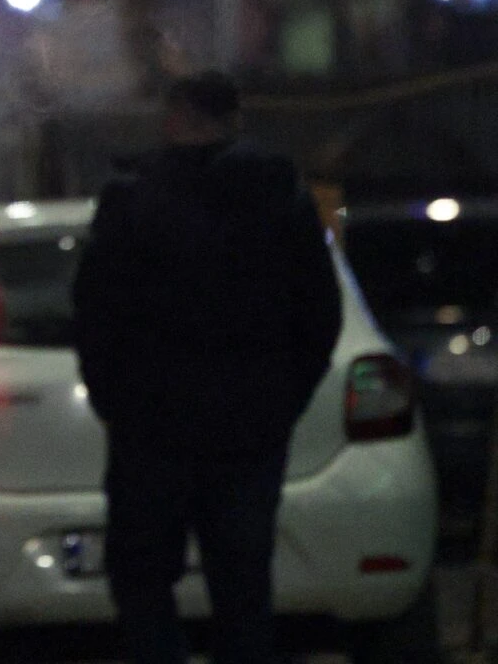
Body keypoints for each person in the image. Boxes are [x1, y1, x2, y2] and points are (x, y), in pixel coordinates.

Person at [72, 72, 341, 664]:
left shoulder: (134, 199)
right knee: (243, 585)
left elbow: (95, 313)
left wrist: (114, 401)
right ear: (235, 118)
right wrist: (282, 401)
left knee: (142, 577)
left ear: (174, 117)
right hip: (248, 431)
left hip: (154, 428)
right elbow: (319, 314)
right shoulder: (280, 196)